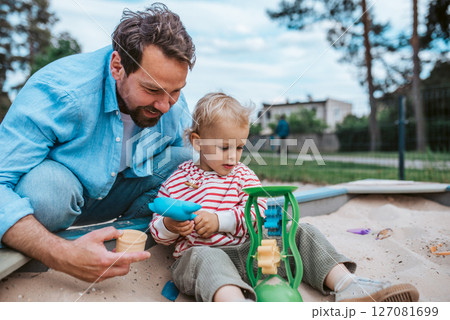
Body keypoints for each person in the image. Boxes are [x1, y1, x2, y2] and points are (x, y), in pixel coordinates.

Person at [149, 92, 419, 302]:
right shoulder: (179, 180)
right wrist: (170, 226)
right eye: (223, 147)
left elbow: (259, 213)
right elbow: (158, 228)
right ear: (197, 142)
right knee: (202, 258)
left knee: (300, 232)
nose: (233, 156)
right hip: (203, 258)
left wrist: (220, 221)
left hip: (251, 254)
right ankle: (235, 304)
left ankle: (347, 284)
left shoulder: (243, 176)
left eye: (240, 146)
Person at [0, 4, 195, 282]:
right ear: (118, 66)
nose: (165, 105)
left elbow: (184, 174)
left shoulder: (169, 101)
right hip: (63, 198)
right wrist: (62, 255)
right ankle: (48, 240)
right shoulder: (61, 92)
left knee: (185, 161)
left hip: (117, 193)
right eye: (152, 90)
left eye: (176, 91)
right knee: (49, 192)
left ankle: (131, 232)